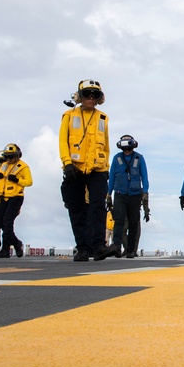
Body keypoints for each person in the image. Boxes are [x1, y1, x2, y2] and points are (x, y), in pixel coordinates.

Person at [59, 79, 114, 262]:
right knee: (77, 208)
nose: (91, 98)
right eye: (87, 94)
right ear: (80, 96)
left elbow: (105, 146)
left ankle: (98, 246)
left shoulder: (103, 118)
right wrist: (67, 163)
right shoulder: (68, 115)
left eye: (95, 95)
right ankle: (82, 248)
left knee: (98, 207)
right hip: (74, 168)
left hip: (97, 169)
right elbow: (63, 141)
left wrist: (105, 168)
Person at [0, 143, 32, 258]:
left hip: (16, 197)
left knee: (7, 222)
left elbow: (29, 182)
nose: (9, 159)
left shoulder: (24, 167)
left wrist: (17, 180)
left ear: (17, 155)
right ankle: (16, 243)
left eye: (11, 156)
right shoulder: (3, 166)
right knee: (2, 223)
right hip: (4, 198)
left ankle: (5, 250)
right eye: (7, 157)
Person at [107, 135, 150, 259]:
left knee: (133, 222)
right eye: (124, 149)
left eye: (128, 149)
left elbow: (144, 177)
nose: (127, 151)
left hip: (135, 195)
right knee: (119, 220)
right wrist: (109, 194)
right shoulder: (116, 158)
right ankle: (116, 247)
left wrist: (145, 192)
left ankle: (131, 250)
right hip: (120, 194)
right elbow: (112, 177)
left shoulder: (139, 158)